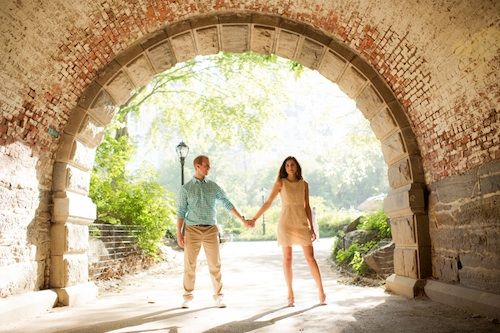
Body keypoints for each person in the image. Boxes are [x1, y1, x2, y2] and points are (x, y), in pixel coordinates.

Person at [176, 155, 251, 309]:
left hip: (211, 230)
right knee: (190, 265)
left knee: (215, 265)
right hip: (192, 230)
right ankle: (187, 297)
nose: (209, 168)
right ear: (197, 166)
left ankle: (219, 296)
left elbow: (227, 203)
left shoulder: (213, 186)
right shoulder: (186, 189)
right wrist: (179, 233)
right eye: (206, 165)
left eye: (208, 166)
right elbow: (181, 212)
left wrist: (242, 219)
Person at [250, 156, 326, 307]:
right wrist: (254, 218)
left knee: (310, 258)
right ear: (284, 168)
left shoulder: (304, 184)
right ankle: (290, 293)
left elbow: (307, 206)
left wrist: (311, 226)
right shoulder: (280, 183)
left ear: (297, 167)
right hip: (286, 224)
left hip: (302, 223)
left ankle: (321, 291)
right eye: (287, 165)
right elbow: (268, 203)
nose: (290, 167)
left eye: (292, 165)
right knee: (287, 258)